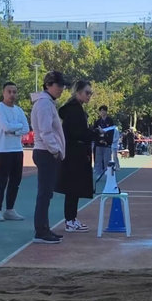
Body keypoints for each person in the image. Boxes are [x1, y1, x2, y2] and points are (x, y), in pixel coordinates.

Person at [56, 80, 103, 233]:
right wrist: (95, 133)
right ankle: (69, 220)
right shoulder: (74, 110)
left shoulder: (76, 109)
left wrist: (92, 132)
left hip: (76, 152)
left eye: (91, 93)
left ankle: (72, 218)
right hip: (74, 154)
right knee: (72, 188)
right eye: (87, 93)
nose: (89, 96)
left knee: (74, 188)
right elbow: (78, 133)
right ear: (78, 92)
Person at [31, 70, 68, 244]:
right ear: (48, 85)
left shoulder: (46, 103)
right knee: (44, 194)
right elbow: (45, 132)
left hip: (46, 152)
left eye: (62, 85)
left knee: (46, 194)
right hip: (46, 152)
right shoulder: (44, 104)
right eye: (58, 85)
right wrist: (55, 150)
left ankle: (44, 228)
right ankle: (41, 231)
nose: (61, 88)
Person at [0, 81, 30, 222]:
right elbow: (6, 127)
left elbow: (26, 128)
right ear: (3, 93)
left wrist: (15, 130)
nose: (12, 94)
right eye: (9, 91)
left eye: (14, 92)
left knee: (15, 181)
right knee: (2, 181)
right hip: (4, 150)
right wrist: (17, 128)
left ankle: (10, 209)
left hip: (17, 150)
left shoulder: (19, 110)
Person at [93, 105, 114, 180]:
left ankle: (107, 174)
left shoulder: (110, 121)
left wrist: (106, 137)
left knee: (106, 160)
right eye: (101, 111)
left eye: (103, 111)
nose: (102, 112)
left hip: (107, 143)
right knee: (98, 160)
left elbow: (111, 131)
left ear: (106, 111)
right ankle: (99, 173)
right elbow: (94, 131)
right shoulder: (97, 122)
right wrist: (98, 136)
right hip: (99, 143)